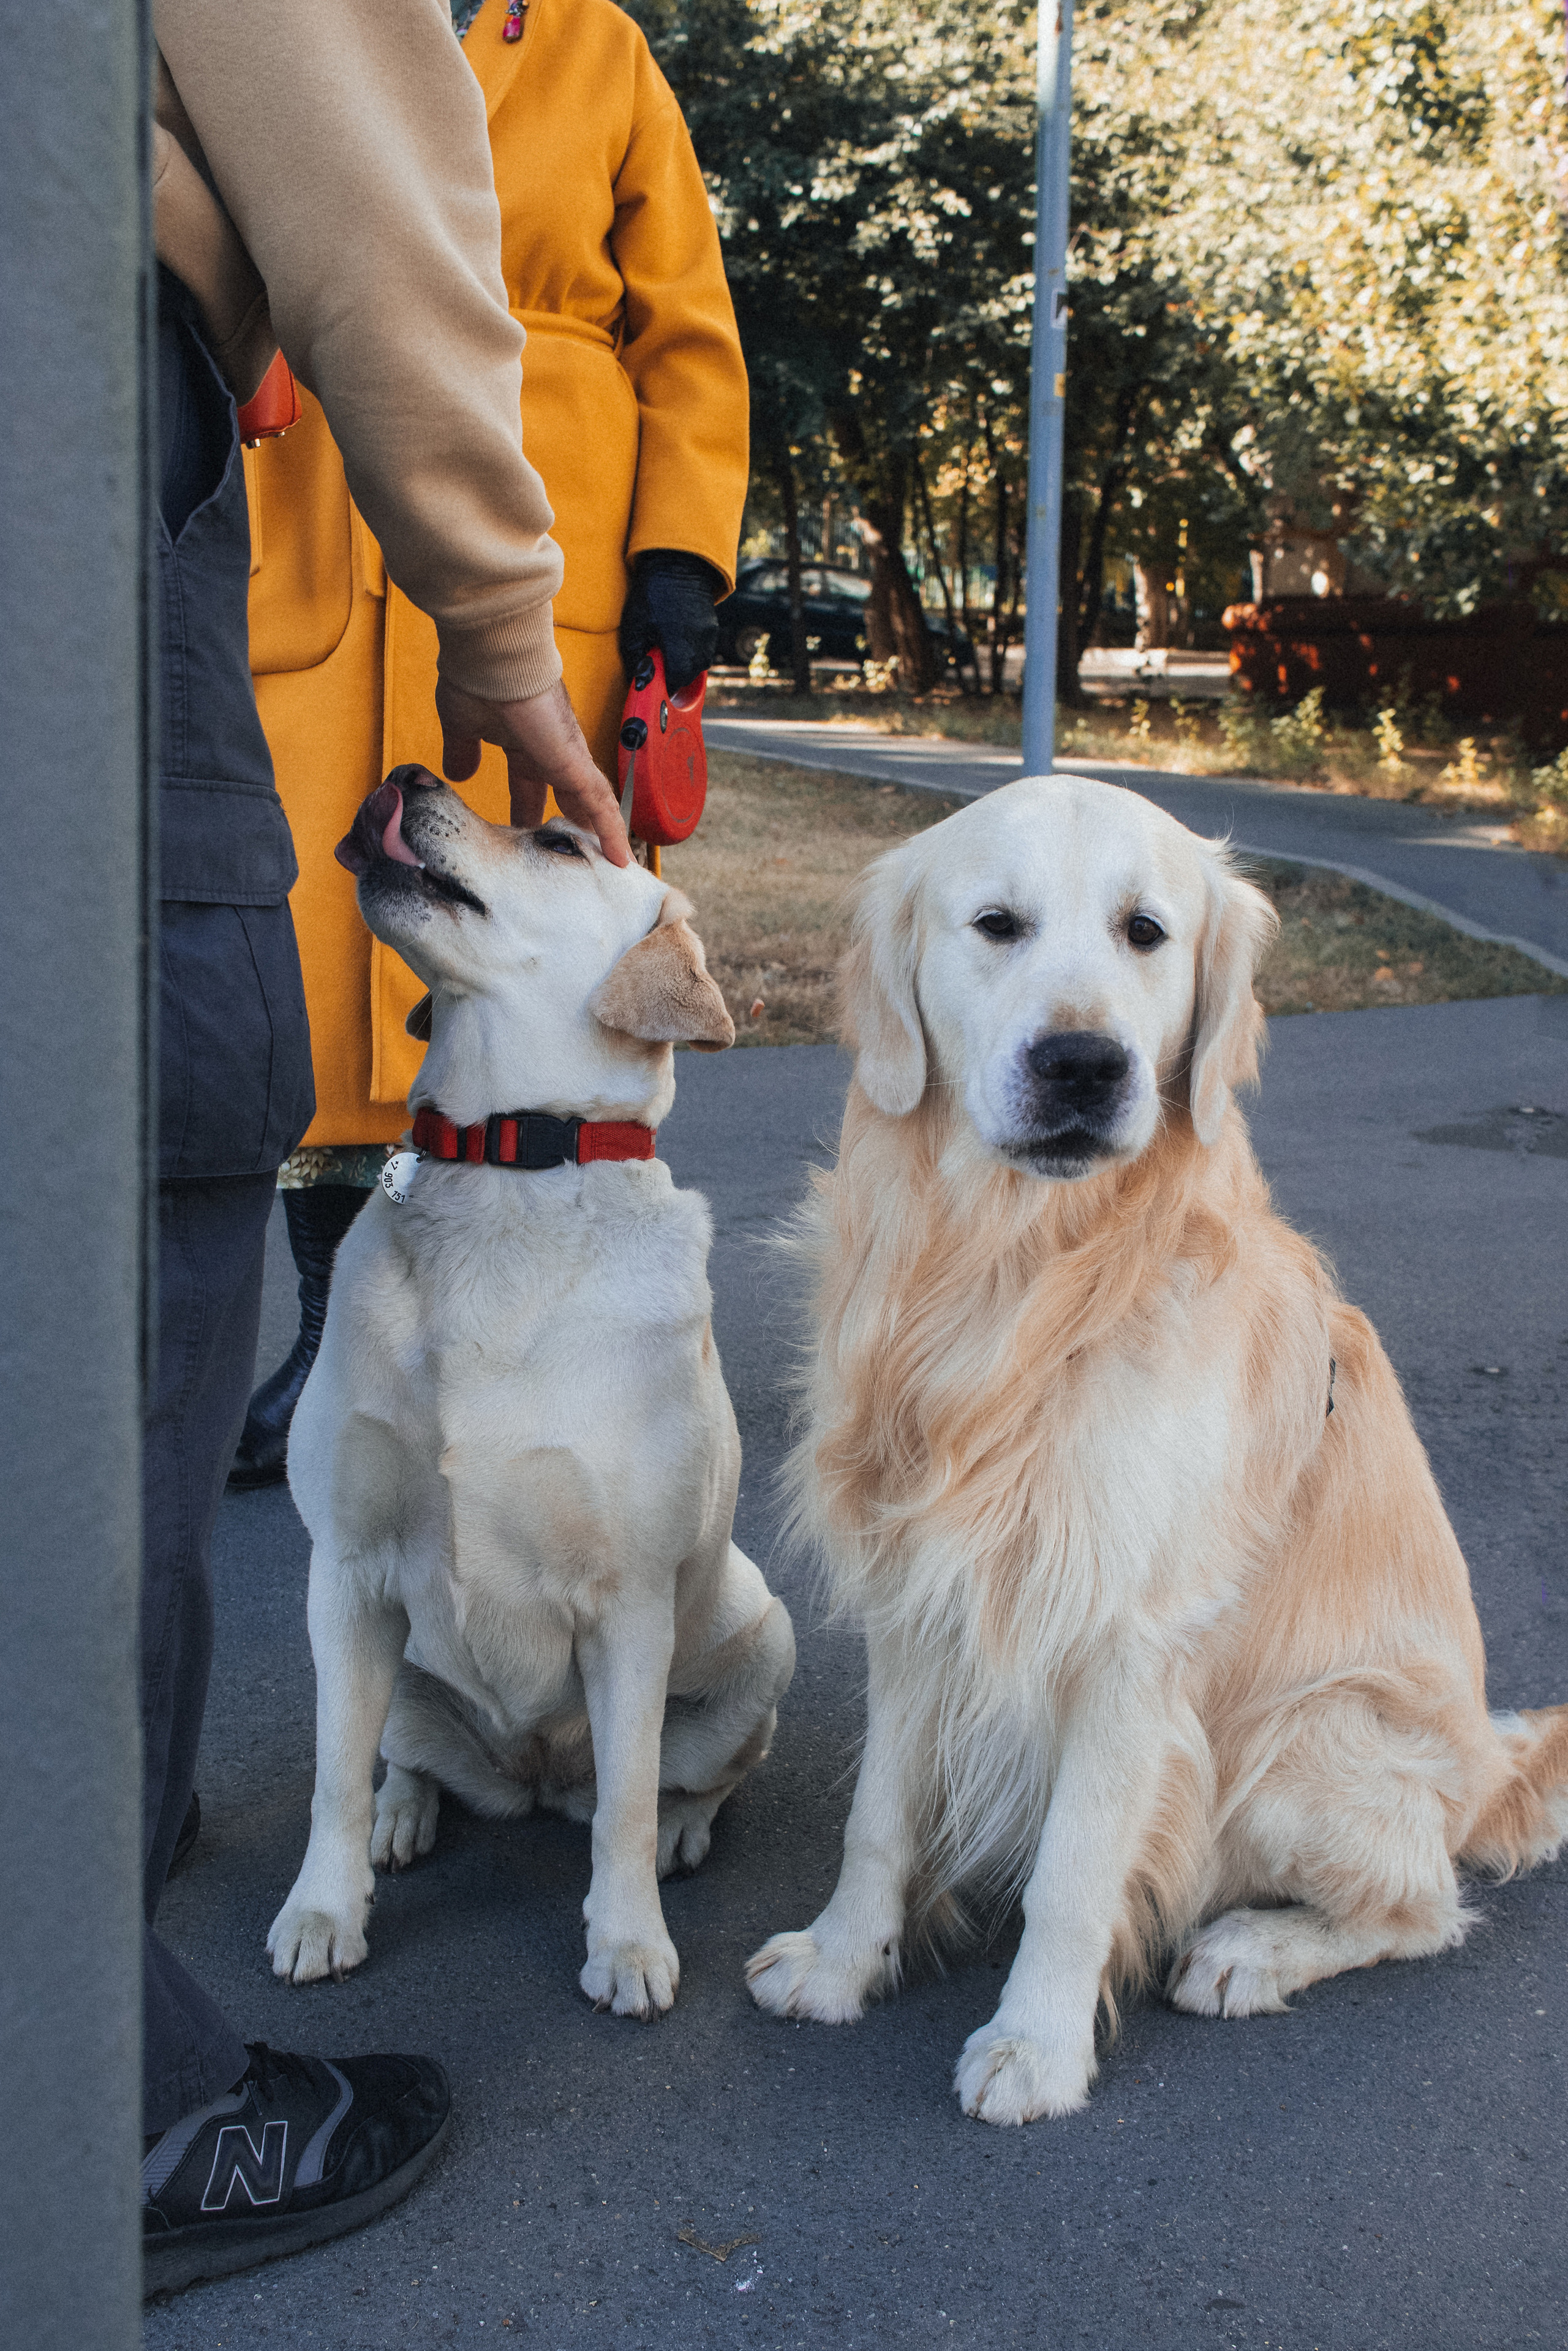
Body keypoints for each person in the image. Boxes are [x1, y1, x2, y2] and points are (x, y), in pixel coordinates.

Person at [142, 0, 628, 2296]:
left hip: (273, 535)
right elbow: (366, 185)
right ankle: (114, 2074)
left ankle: (117, 1824)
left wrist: (672, 597)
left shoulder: (612, 53)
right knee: (177, 1104)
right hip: (202, 506)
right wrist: (514, 639)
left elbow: (681, 340)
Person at [229, 0, 750, 1486]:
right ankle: (343, 1337)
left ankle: (554, 1339)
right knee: (329, 969)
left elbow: (692, 336)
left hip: (550, 565)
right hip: (319, 546)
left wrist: (677, 560)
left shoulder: (603, 48)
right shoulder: (288, 26)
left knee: (546, 977)